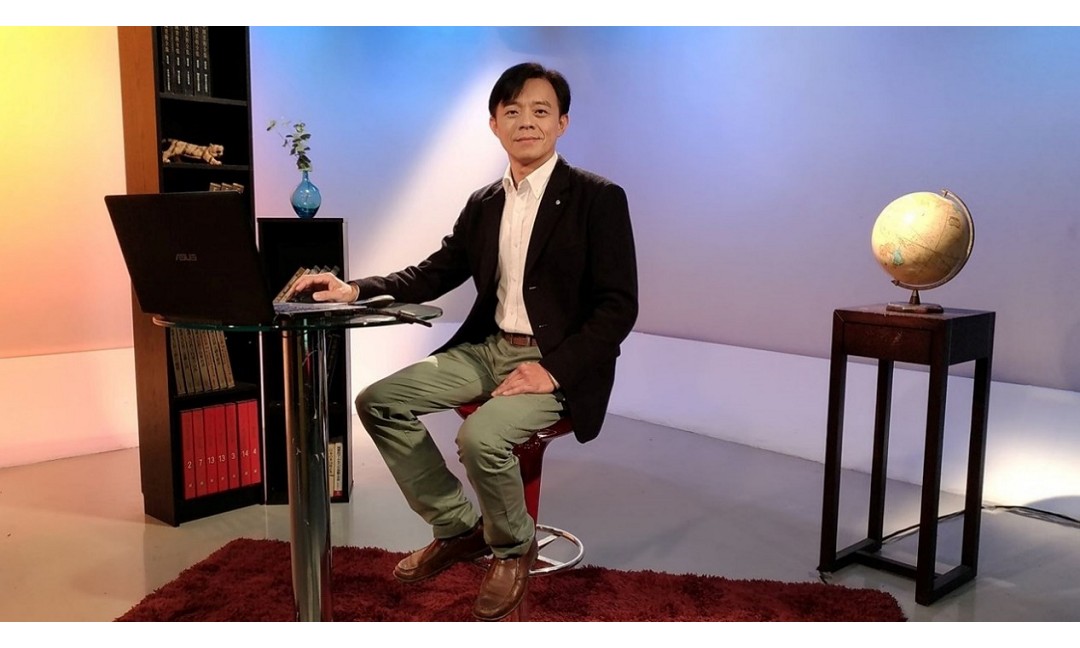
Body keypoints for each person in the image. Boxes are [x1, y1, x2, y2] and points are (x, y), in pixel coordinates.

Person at [291, 61, 638, 621]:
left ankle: (513, 549)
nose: (527, 122)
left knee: (480, 437)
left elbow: (619, 306)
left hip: (557, 361)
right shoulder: (484, 203)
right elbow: (433, 272)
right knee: (378, 401)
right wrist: (354, 288)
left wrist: (552, 371)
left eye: (541, 111)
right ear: (495, 124)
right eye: (512, 111)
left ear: (563, 124)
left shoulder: (598, 198)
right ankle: (457, 527)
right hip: (489, 348)